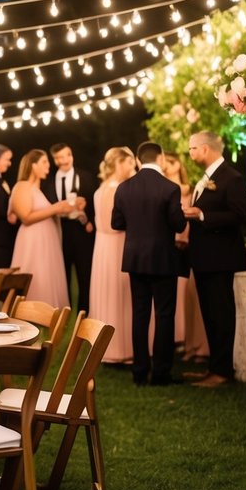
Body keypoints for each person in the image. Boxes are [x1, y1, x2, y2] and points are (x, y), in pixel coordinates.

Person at [111, 141, 186, 387]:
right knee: (164, 315)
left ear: (140, 160)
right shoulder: (170, 188)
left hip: (135, 259)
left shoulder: (124, 188)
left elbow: (116, 223)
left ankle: (140, 372)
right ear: (161, 157)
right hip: (163, 259)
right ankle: (161, 373)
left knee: (140, 315)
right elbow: (179, 225)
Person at [184, 131, 246, 388]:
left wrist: (202, 215)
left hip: (222, 259)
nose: (190, 153)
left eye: (192, 148)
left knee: (221, 315)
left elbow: (240, 215)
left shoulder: (232, 178)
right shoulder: (206, 178)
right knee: (210, 315)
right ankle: (213, 367)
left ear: (206, 149)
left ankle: (222, 372)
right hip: (203, 258)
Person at [89, 147, 136, 364]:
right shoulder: (115, 188)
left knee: (113, 291)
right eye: (129, 163)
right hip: (115, 244)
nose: (133, 168)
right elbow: (113, 225)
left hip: (104, 245)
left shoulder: (102, 187)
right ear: (119, 164)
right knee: (118, 292)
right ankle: (118, 348)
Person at [9, 149, 72, 309]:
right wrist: (56, 208)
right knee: (37, 278)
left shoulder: (37, 189)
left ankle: (47, 317)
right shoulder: (22, 186)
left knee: (46, 278)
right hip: (33, 242)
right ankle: (31, 313)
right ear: (33, 165)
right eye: (44, 162)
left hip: (46, 243)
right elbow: (26, 217)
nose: (48, 167)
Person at [163, 151, 209, 361]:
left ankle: (186, 338)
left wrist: (184, 237)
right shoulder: (162, 188)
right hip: (167, 242)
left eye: (171, 162)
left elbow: (188, 215)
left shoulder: (188, 189)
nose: (167, 165)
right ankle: (175, 338)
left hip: (185, 241)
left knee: (185, 290)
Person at [43, 142, 97, 314]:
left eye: (67, 155)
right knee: (61, 274)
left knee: (85, 274)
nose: (64, 160)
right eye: (59, 157)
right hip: (59, 232)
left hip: (83, 231)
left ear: (72, 155)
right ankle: (64, 315)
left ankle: (85, 314)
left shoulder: (87, 177)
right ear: (54, 160)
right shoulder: (49, 183)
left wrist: (91, 222)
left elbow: (95, 204)